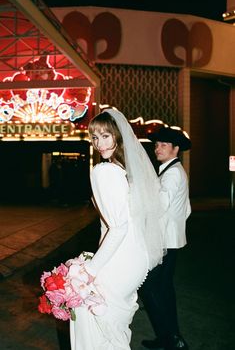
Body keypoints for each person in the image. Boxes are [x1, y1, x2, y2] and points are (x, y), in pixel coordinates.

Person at [70, 108, 166, 350]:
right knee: (115, 328)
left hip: (119, 258)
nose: (99, 143)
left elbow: (119, 227)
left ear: (117, 136)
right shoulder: (127, 172)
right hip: (137, 257)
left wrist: (90, 269)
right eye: (94, 137)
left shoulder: (104, 171)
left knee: (96, 327)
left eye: (105, 136)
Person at [139, 126, 192, 350]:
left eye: (163, 145)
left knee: (149, 288)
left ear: (175, 148)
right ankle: (170, 337)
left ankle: (171, 339)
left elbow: (160, 205)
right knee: (163, 289)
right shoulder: (172, 170)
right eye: (156, 145)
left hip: (164, 241)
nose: (157, 149)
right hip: (170, 239)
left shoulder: (171, 173)